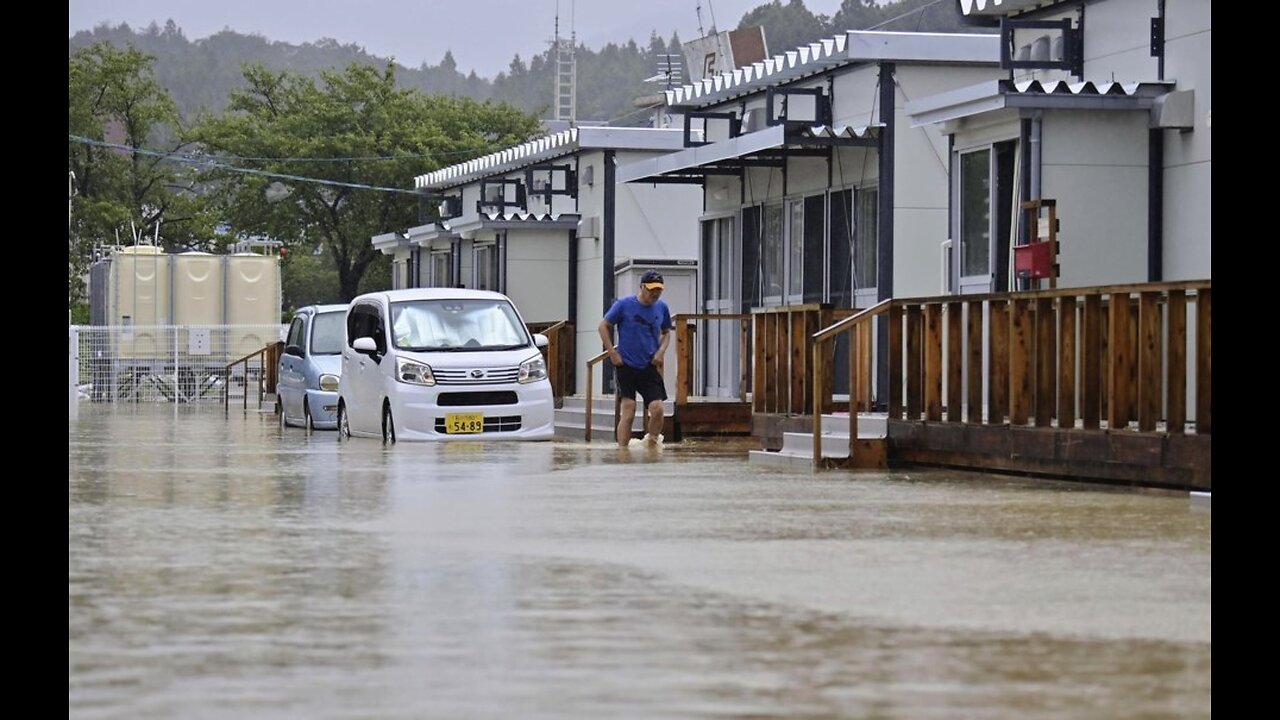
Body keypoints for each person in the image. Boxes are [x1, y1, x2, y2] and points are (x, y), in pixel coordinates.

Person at [598, 269, 673, 448]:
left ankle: (652, 443)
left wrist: (661, 351)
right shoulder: (624, 305)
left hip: (648, 365)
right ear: (642, 287)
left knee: (657, 409)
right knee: (629, 411)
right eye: (652, 289)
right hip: (626, 365)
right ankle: (622, 450)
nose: (655, 293)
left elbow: (666, 332)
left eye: (659, 290)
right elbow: (603, 325)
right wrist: (612, 353)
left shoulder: (662, 307)